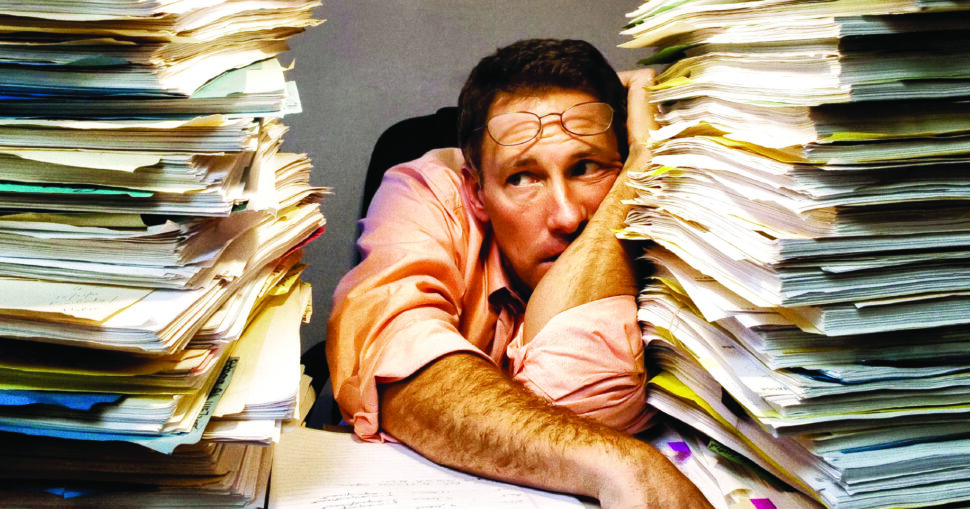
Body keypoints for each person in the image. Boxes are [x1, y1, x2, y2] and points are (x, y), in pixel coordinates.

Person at [327, 38, 712, 508]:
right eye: (524, 177)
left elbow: (576, 397)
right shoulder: (426, 194)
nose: (567, 216)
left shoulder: (660, 204)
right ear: (476, 191)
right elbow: (402, 368)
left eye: (586, 166)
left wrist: (639, 168)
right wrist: (623, 464)